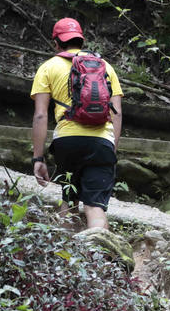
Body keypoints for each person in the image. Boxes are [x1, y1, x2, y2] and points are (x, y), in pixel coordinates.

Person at [30, 17, 122, 229]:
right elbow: (116, 114)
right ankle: (99, 259)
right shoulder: (105, 67)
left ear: (56, 42)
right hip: (101, 142)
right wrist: (111, 149)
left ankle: (65, 257)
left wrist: (38, 158)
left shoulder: (48, 67)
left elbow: (40, 116)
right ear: (81, 40)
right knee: (94, 206)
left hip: (67, 141)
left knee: (69, 200)